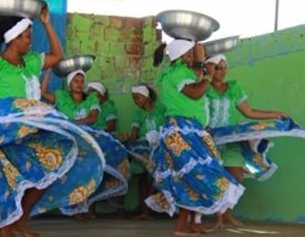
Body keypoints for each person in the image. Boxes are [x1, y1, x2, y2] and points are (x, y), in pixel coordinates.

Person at [0, 8, 105, 237]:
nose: (31, 41)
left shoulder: (30, 62)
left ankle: (21, 221)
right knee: (7, 181)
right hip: (5, 133)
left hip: (33, 130)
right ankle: (5, 230)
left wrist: (47, 24)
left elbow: (58, 56)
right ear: (14, 39)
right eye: (28, 37)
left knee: (44, 174)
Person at [146, 40, 245, 236]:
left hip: (188, 129)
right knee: (192, 175)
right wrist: (207, 74)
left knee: (191, 176)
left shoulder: (180, 73)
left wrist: (201, 61)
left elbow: (197, 76)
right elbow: (195, 92)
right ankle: (184, 225)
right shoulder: (177, 73)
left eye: (193, 54)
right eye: (189, 54)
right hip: (182, 130)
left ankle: (189, 223)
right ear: (180, 56)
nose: (193, 58)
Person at [205, 53, 288, 227]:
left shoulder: (233, 88)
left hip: (231, 139)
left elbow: (249, 112)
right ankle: (217, 216)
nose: (222, 72)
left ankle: (226, 212)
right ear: (210, 69)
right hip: (210, 140)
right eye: (218, 68)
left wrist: (275, 114)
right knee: (214, 178)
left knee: (236, 176)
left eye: (224, 67)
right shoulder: (203, 88)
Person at [41, 69, 130, 219]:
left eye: (82, 81)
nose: (79, 84)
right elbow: (42, 93)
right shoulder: (61, 97)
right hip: (68, 142)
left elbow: (93, 118)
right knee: (70, 174)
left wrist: (71, 124)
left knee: (89, 173)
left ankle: (86, 209)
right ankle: (74, 209)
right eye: (76, 81)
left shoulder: (91, 99)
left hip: (88, 141)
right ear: (69, 84)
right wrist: (48, 74)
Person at [126, 84, 165, 219]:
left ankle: (149, 209)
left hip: (160, 146)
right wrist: (129, 141)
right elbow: (134, 132)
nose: (136, 101)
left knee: (157, 177)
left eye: (138, 98)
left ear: (146, 96)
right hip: (143, 148)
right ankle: (145, 209)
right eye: (134, 99)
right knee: (142, 177)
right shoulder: (138, 113)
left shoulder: (161, 108)